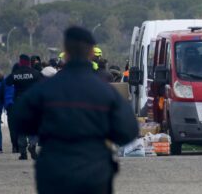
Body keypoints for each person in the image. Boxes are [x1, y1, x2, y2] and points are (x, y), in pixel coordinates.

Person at [13, 26, 138, 194]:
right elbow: (128, 131)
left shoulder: (45, 89)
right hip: (95, 172)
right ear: (92, 52)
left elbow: (18, 121)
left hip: (54, 171)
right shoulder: (105, 91)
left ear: (66, 51)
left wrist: (45, 130)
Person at [6, 54, 43, 160]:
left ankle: (23, 153)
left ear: (20, 62)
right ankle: (32, 145)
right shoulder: (35, 73)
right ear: (29, 62)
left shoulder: (15, 73)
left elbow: (8, 82)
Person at [4, 64, 18, 153]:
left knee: (12, 127)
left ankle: (14, 146)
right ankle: (20, 145)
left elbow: (1, 92)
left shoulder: (7, 79)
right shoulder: (21, 79)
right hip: (19, 104)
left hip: (9, 105)